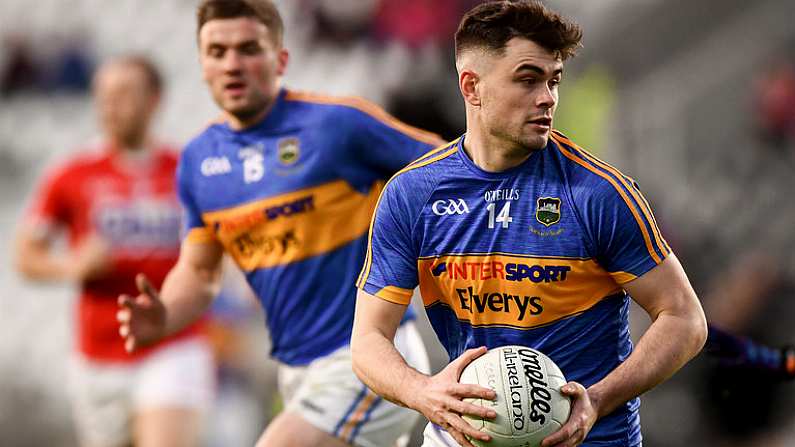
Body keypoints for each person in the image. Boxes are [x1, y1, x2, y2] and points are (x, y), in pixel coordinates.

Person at [350, 2, 708, 447]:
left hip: (589, 437)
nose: (548, 97)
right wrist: (424, 392)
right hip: (469, 431)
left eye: (553, 80)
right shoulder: (413, 195)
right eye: (528, 79)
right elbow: (367, 340)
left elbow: (685, 319)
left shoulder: (597, 194)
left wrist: (597, 399)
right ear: (471, 86)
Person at [116, 1, 442, 446]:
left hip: (370, 355)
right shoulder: (199, 162)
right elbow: (199, 271)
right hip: (297, 370)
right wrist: (167, 314)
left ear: (281, 59)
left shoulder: (337, 125)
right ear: (201, 64)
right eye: (217, 51)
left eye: (248, 48)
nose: (232, 64)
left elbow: (448, 167)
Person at [14, 56, 213, 447]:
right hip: (98, 354)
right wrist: (71, 266)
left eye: (123, 94)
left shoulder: (186, 173)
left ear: (154, 100)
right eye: (103, 95)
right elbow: (25, 255)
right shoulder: (72, 174)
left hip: (172, 343)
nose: (110, 106)